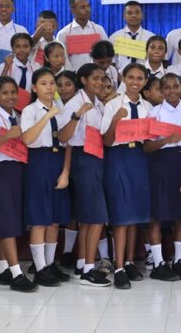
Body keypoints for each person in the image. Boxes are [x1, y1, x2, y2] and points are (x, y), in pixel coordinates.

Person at [0, 76, 38, 292]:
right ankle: (16, 273)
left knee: (12, 219)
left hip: (16, 170)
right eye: (5, 93)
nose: (10, 97)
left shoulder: (17, 116)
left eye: (13, 92)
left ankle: (3, 269)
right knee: (5, 220)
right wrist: (6, 138)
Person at [57, 63, 112, 287]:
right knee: (97, 216)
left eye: (102, 79)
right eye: (95, 78)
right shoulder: (76, 103)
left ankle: (84, 265)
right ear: (83, 80)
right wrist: (77, 116)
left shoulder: (98, 103)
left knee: (90, 218)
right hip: (84, 159)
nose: (99, 82)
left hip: (96, 158)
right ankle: (89, 269)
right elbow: (63, 137)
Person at [101, 63, 153, 289]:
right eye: (130, 77)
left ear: (145, 81)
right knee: (121, 214)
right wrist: (116, 120)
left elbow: (150, 139)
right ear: (123, 77)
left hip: (138, 158)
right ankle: (119, 266)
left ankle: (130, 261)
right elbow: (106, 140)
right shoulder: (113, 104)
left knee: (135, 213)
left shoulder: (148, 106)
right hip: (118, 157)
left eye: (140, 78)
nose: (135, 82)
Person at [144, 73, 181, 281]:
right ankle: (158, 263)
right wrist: (165, 140)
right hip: (160, 165)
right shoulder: (154, 113)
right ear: (161, 91)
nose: (172, 91)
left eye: (176, 86)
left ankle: (179, 261)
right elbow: (147, 147)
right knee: (157, 215)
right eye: (166, 87)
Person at [21, 69, 71, 287]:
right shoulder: (30, 111)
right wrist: (46, 117)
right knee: (40, 218)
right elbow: (28, 139)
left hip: (58, 161)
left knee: (55, 218)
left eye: (52, 83)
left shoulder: (61, 111)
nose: (50, 87)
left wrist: (66, 172)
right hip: (38, 161)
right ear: (34, 88)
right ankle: (40, 268)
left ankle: (50, 265)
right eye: (44, 83)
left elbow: (68, 142)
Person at [57, 0, 109, 69]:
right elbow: (60, 58)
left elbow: (107, 53)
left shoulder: (99, 30)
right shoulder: (64, 33)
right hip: (73, 76)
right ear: (73, 10)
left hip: (96, 74)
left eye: (88, 6)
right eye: (82, 7)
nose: (87, 9)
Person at [109, 1, 155, 70]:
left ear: (142, 15)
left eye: (137, 12)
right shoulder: (115, 37)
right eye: (129, 13)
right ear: (124, 16)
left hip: (145, 78)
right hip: (121, 78)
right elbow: (111, 62)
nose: (134, 15)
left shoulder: (151, 37)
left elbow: (155, 61)